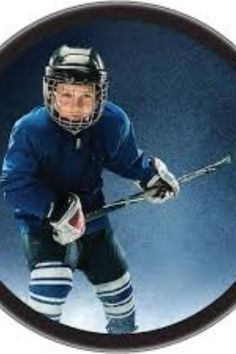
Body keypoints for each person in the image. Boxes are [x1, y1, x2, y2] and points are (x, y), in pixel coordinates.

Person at [0, 45, 180, 334]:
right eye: (67, 95)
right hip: (42, 228)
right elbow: (13, 183)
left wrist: (149, 177)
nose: (75, 105)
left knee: (120, 296)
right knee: (50, 290)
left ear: (100, 95)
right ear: (51, 93)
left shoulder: (113, 122)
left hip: (95, 225)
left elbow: (128, 159)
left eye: (86, 95)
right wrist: (53, 207)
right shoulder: (29, 129)